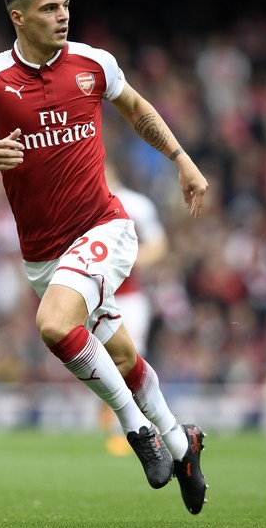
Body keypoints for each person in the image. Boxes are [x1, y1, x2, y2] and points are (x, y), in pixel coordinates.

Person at [0, 0, 209, 515]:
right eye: (48, 8)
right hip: (42, 253)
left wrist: (182, 161)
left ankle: (138, 433)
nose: (63, 14)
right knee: (121, 354)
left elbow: (136, 108)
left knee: (53, 325)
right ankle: (183, 447)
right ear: (17, 16)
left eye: (65, 5)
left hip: (104, 228)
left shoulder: (94, 63)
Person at [100, 162, 169, 455]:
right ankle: (116, 422)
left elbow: (159, 245)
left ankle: (133, 427)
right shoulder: (81, 203)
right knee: (98, 359)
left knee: (131, 357)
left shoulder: (136, 205)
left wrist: (129, 260)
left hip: (128, 298)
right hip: (95, 296)